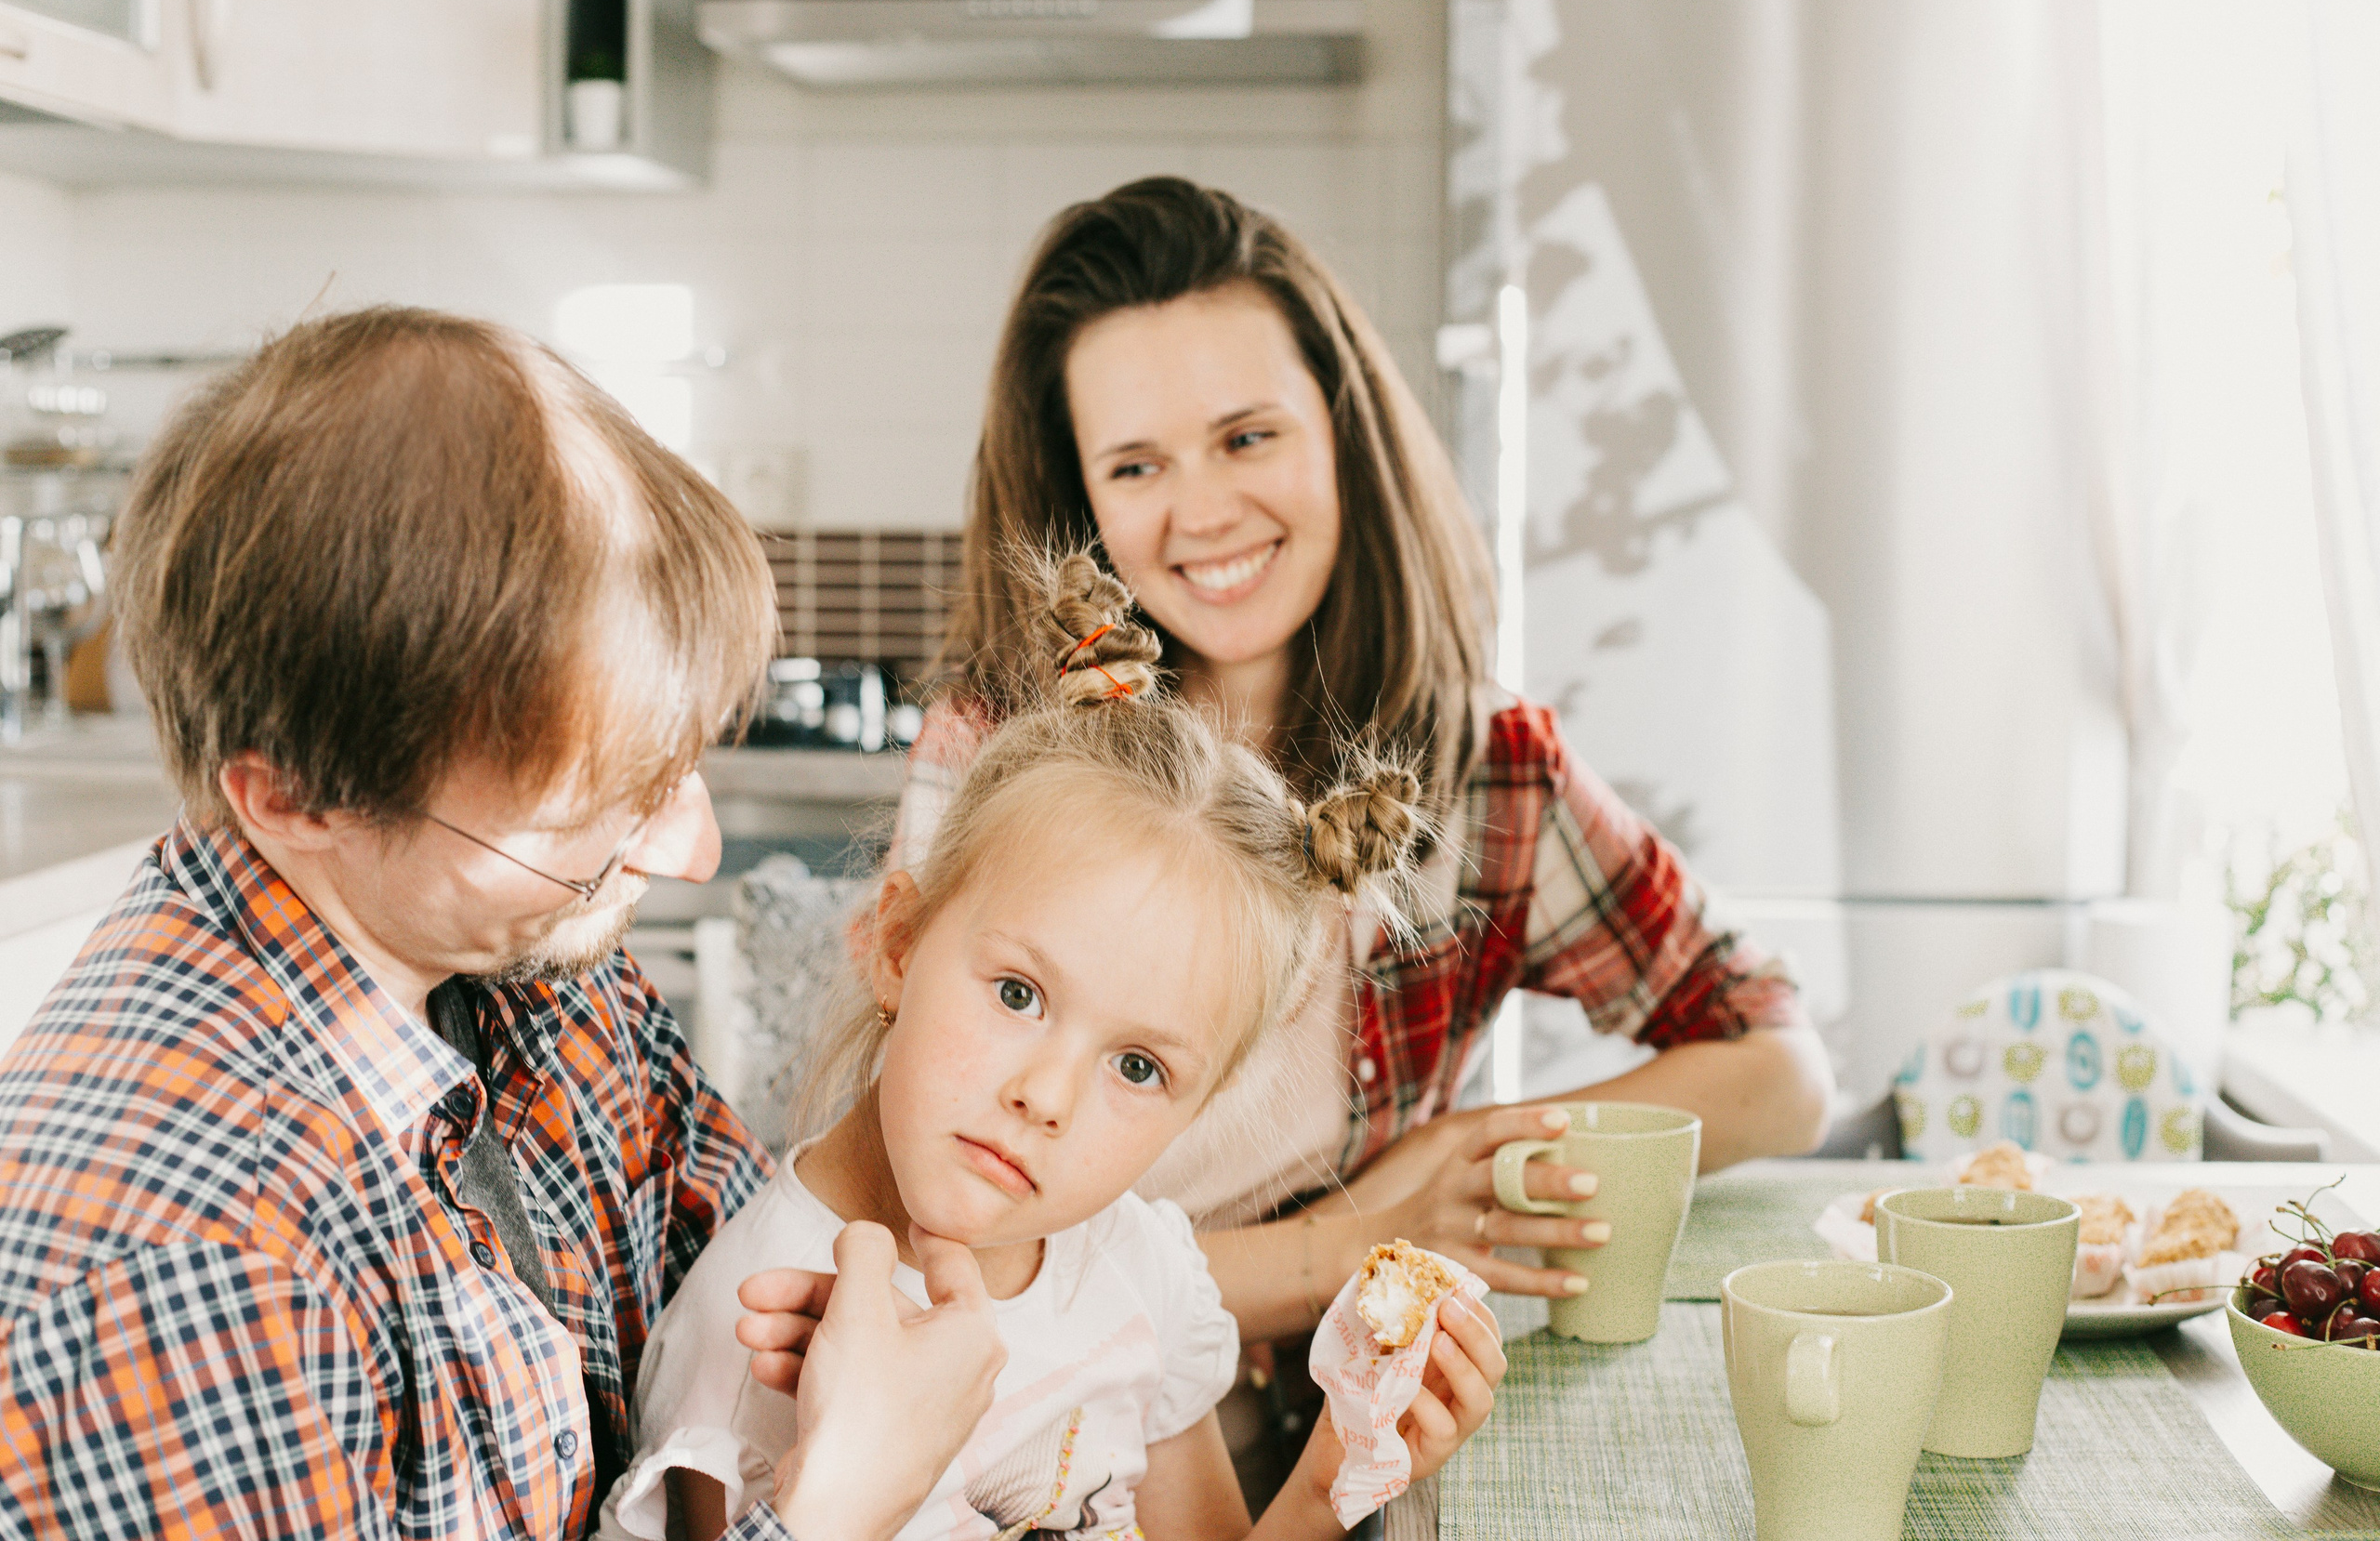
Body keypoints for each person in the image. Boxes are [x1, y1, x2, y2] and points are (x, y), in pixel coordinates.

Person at [0, 308, 1002, 1541]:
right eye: (601, 807)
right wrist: (844, 1498)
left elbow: (765, 1263)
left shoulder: (524, 958)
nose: (687, 851)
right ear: (292, 797)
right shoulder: (187, 1265)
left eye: (674, 765)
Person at [901, 177, 1836, 1346]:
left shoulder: (1483, 768)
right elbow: (943, 1241)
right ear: (1079, 495)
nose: (1202, 512)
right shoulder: (1000, 751)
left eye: (1247, 437)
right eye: (1137, 467)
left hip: (1328, 1432)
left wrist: (1462, 1150)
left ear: (1343, 433)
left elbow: (1781, 1065)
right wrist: (1349, 1242)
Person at [603, 555, 1505, 1541]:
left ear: (1195, 1111)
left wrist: (1342, 1470)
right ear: (899, 946)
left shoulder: (1134, 1266)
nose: (1048, 1097)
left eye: (1138, 1067)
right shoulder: (756, 1335)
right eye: (1019, 994)